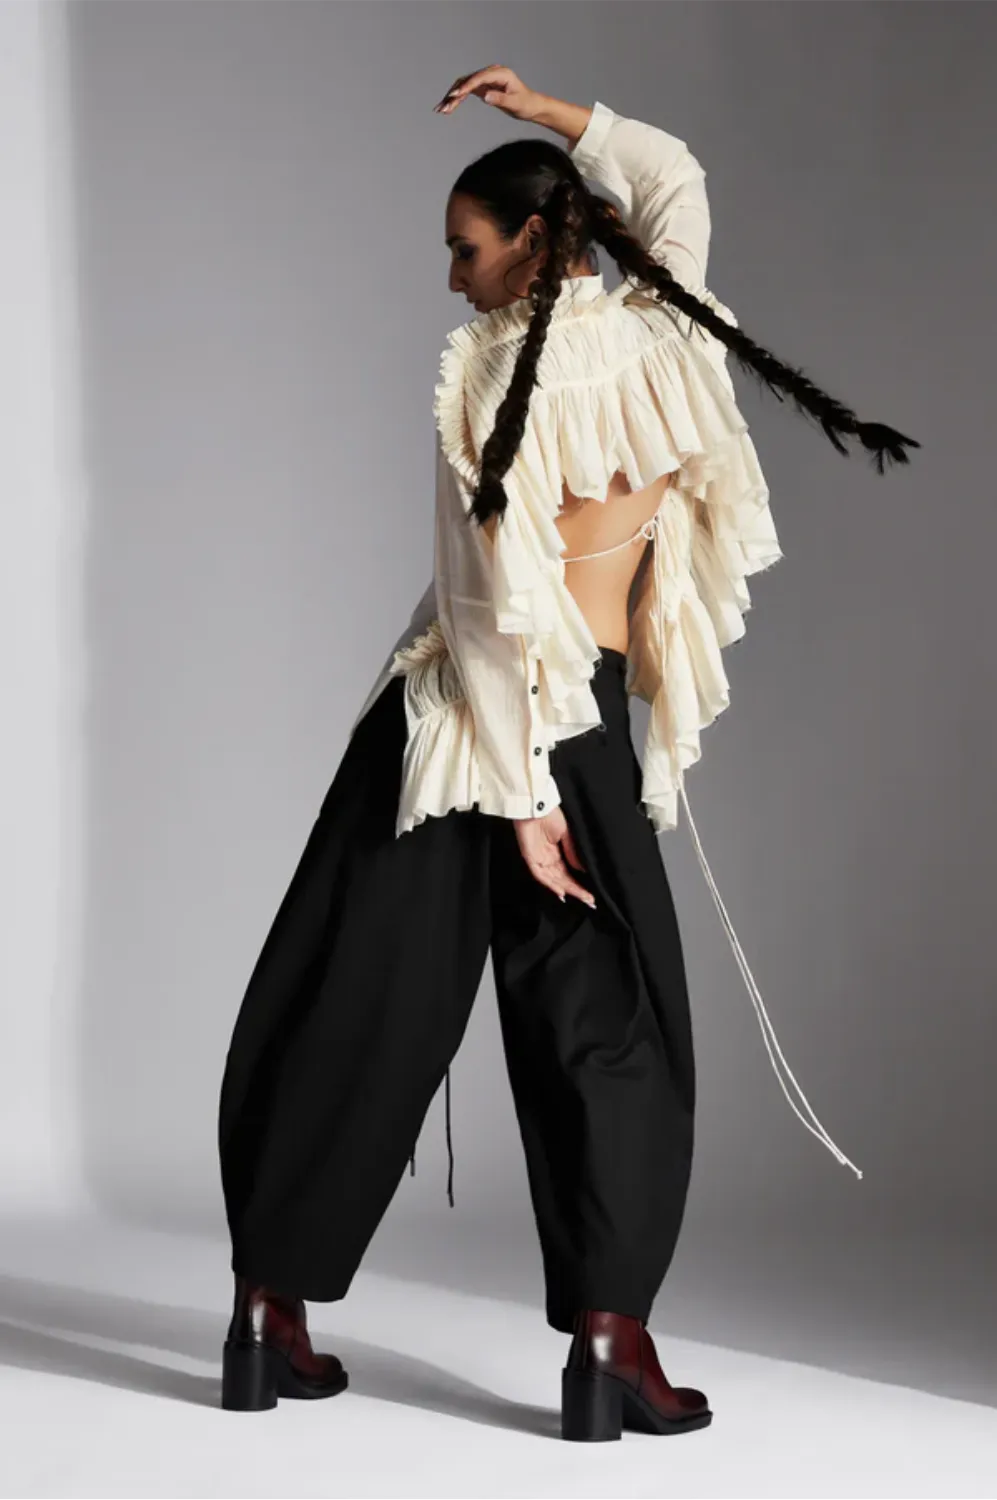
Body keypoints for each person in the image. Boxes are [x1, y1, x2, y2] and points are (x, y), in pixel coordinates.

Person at [215, 69, 918, 1439]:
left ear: (532, 241)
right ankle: (608, 1346)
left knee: (348, 1005)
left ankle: (265, 1315)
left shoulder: (483, 381)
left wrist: (522, 791)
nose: (452, 279)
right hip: (557, 731)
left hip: (460, 735)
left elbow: (485, 611)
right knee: (608, 1028)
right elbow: (675, 180)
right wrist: (552, 112)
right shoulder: (674, 330)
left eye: (465, 249)